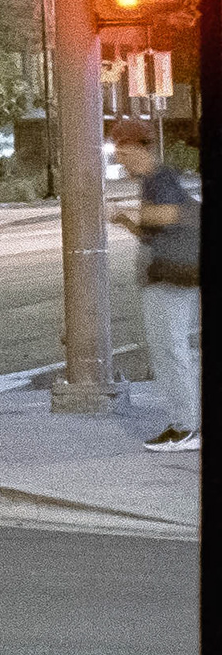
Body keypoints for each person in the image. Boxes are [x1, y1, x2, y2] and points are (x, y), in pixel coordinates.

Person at [110, 116, 200, 448]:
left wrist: (132, 213)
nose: (119, 157)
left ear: (134, 147)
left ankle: (186, 428)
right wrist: (128, 222)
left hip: (171, 277)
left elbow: (172, 214)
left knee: (171, 350)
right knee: (171, 350)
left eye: (121, 149)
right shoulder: (152, 180)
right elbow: (155, 230)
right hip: (167, 275)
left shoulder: (158, 177)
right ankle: (187, 423)